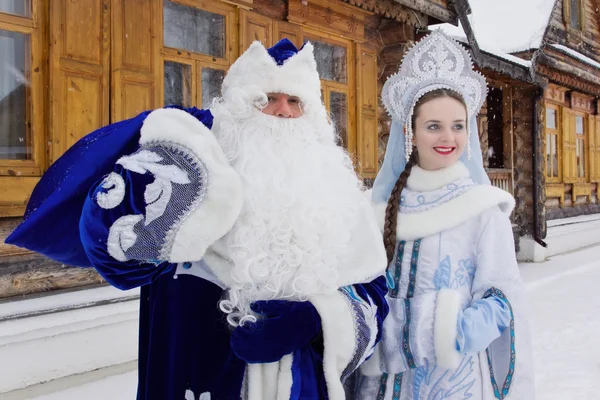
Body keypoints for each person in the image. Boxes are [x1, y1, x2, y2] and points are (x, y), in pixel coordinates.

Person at [7, 39, 389, 399]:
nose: (283, 111)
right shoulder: (188, 184)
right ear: (239, 108)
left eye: (295, 101)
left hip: (297, 383)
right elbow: (120, 260)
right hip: (195, 374)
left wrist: (315, 320)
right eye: (267, 99)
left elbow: (372, 289)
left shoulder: (337, 192)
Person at [354, 31, 534, 399]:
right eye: (433, 126)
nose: (446, 136)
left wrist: (445, 330)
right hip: (381, 385)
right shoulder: (377, 211)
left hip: (454, 381)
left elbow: (502, 300)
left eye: (457, 125)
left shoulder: (484, 210)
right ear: (411, 132)